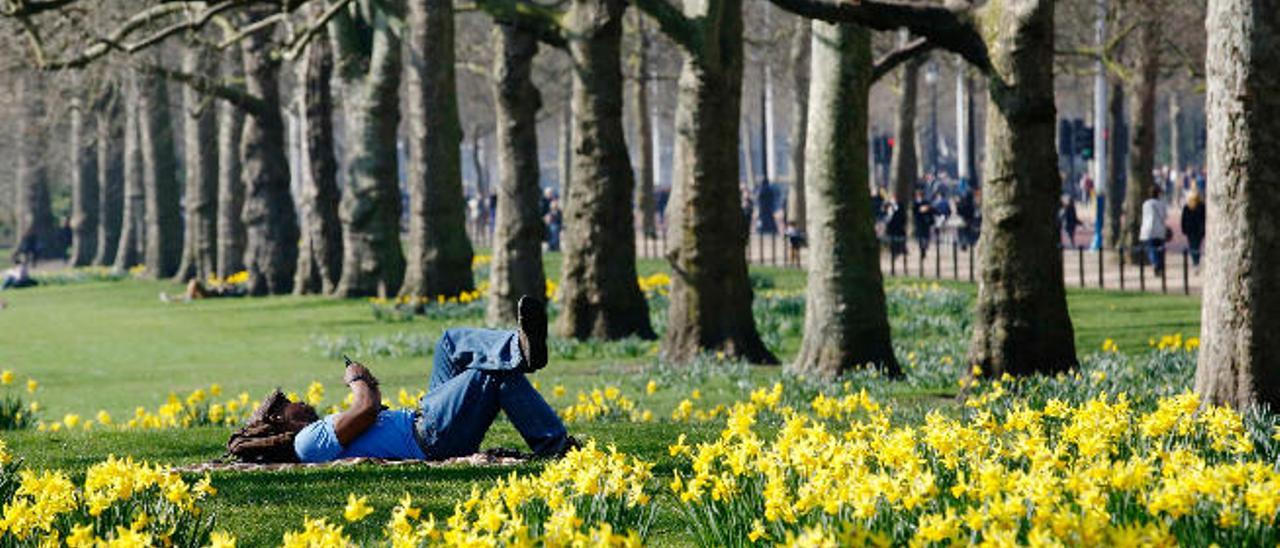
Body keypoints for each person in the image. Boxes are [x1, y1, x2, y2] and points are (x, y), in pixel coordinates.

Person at [289, 296, 573, 463]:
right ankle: (555, 446)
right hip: (428, 438)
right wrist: (358, 378)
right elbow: (366, 409)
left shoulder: (316, 434)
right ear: (278, 421)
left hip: (425, 422)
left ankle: (520, 350)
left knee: (449, 344)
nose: (296, 401)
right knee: (490, 374)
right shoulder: (304, 442)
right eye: (284, 405)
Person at [1140, 185, 1169, 276]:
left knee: (1151, 248)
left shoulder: (1146, 204)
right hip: (1160, 229)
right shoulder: (1162, 204)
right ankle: (1160, 265)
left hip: (1149, 230)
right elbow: (1165, 216)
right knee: (1160, 249)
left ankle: (1155, 264)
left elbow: (1145, 217)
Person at [1181, 190, 1206, 269]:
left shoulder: (1187, 207)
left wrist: (1184, 229)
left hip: (1190, 230)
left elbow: (1183, 219)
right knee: (1197, 246)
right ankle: (1196, 261)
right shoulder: (1202, 206)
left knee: (1192, 246)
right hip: (1198, 230)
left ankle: (1195, 261)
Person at [912, 189, 935, 260]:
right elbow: (914, 212)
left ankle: (924, 248)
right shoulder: (915, 203)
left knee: (925, 237)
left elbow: (931, 211)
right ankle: (922, 250)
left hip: (925, 222)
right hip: (919, 223)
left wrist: (927, 209)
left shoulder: (926, 202)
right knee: (920, 238)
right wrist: (919, 209)